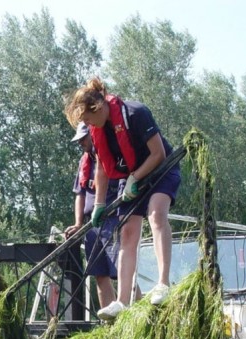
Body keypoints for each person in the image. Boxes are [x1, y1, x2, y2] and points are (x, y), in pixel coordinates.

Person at [64, 77, 181, 322]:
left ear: (97, 107)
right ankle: (122, 300)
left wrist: (136, 177)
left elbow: (158, 153)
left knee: (156, 214)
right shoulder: (97, 131)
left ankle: (162, 283)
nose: (86, 124)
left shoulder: (135, 112)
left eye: (86, 118)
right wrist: (98, 205)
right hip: (132, 178)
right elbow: (103, 169)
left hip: (160, 170)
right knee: (127, 233)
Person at [63, 122, 120, 310]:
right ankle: (109, 323)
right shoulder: (84, 161)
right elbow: (79, 193)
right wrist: (79, 223)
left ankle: (135, 316)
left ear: (94, 134)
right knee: (99, 273)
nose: (81, 143)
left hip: (113, 220)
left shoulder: (109, 154)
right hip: (91, 226)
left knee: (121, 271)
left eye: (83, 138)